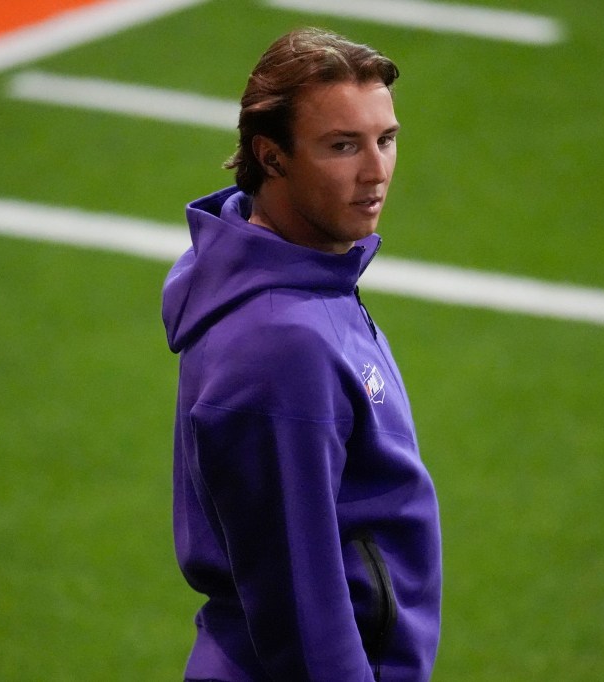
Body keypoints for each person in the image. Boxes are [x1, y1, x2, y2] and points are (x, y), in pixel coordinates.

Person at [161, 27, 442, 681]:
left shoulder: (307, 276)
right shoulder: (282, 348)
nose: (376, 171)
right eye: (342, 146)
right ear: (274, 156)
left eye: (386, 139)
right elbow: (301, 608)